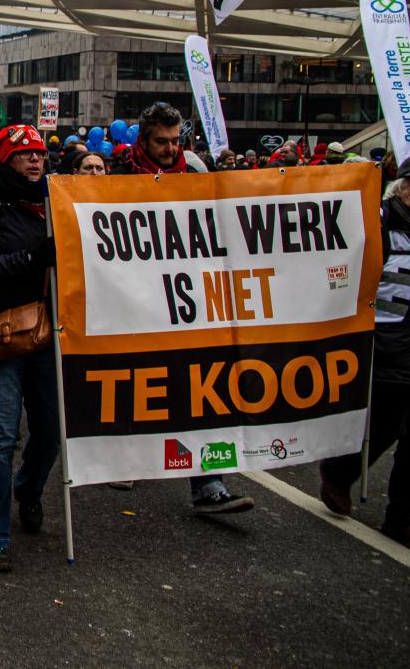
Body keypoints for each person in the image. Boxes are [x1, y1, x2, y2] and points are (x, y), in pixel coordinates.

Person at [114, 102, 254, 514]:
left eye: (176, 141)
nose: (171, 149)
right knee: (137, 383)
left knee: (204, 385)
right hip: (134, 298)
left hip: (188, 299)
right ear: (143, 138)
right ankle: (127, 457)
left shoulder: (195, 175)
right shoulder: (118, 176)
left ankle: (210, 481)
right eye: (162, 141)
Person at [320, 155, 410, 554]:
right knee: (382, 427)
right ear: (399, 187)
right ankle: (339, 471)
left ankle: (405, 518)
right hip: (389, 349)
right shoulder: (377, 225)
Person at [0, 125, 60, 572]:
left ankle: (30, 489)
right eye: (24, 155)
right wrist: (32, 259)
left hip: (49, 332)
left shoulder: (57, 202)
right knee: (1, 434)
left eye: (39, 154)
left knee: (51, 428)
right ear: (4, 161)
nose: (35, 161)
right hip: (0, 334)